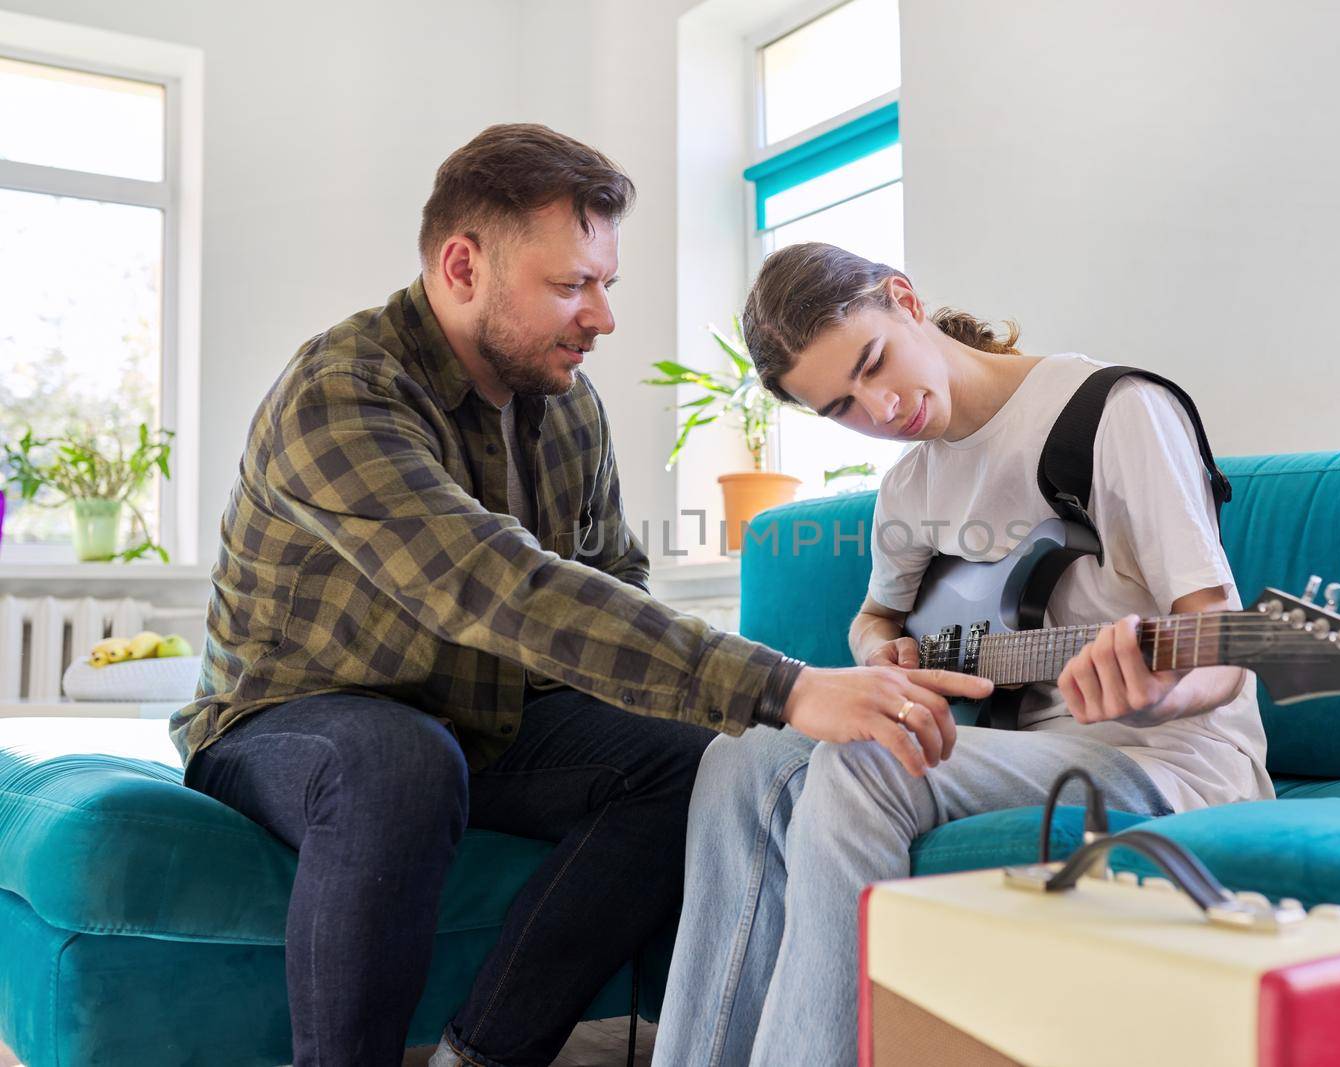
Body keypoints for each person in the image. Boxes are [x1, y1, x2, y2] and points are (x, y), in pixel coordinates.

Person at [170, 131, 988, 1067]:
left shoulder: (567, 404)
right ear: (462, 265)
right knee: (400, 760)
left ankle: (482, 1055)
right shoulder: (341, 392)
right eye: (571, 286)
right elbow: (494, 585)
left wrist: (738, 715)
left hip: (492, 718)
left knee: (702, 756)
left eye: (607, 284)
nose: (601, 316)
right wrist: (789, 685)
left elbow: (610, 585)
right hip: (291, 717)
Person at [654, 242, 1274, 1067]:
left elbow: (1224, 642)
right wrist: (885, 653)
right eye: (842, 406)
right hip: (1020, 747)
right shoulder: (910, 486)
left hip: (1167, 757)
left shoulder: (1111, 411)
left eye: (874, 363)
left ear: (904, 299)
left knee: (870, 763)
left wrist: (1155, 691)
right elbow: (873, 617)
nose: (880, 408)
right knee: (739, 758)